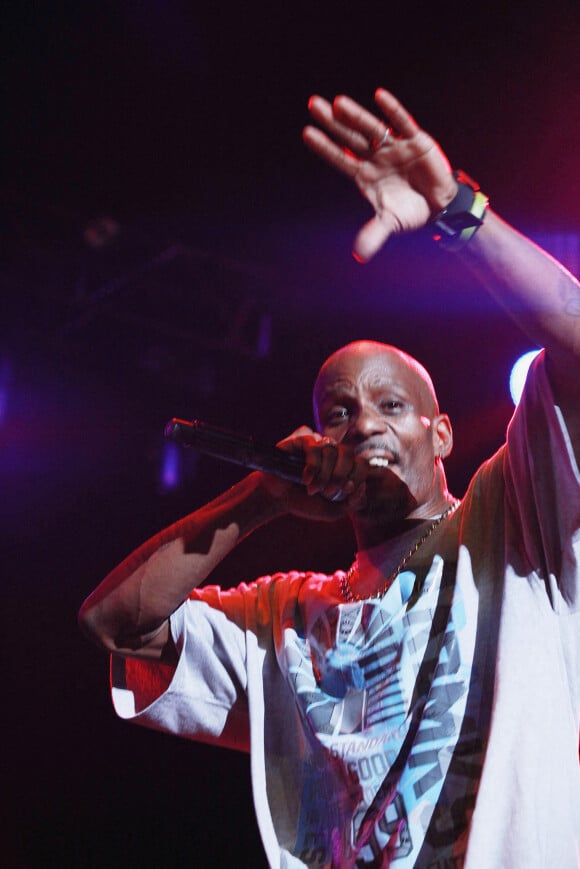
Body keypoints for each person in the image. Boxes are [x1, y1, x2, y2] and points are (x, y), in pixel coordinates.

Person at [79, 89, 580, 868]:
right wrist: (261, 497)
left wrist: (457, 209)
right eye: (340, 411)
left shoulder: (514, 517)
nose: (365, 423)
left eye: (391, 403)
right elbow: (116, 624)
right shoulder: (286, 617)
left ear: (441, 432)